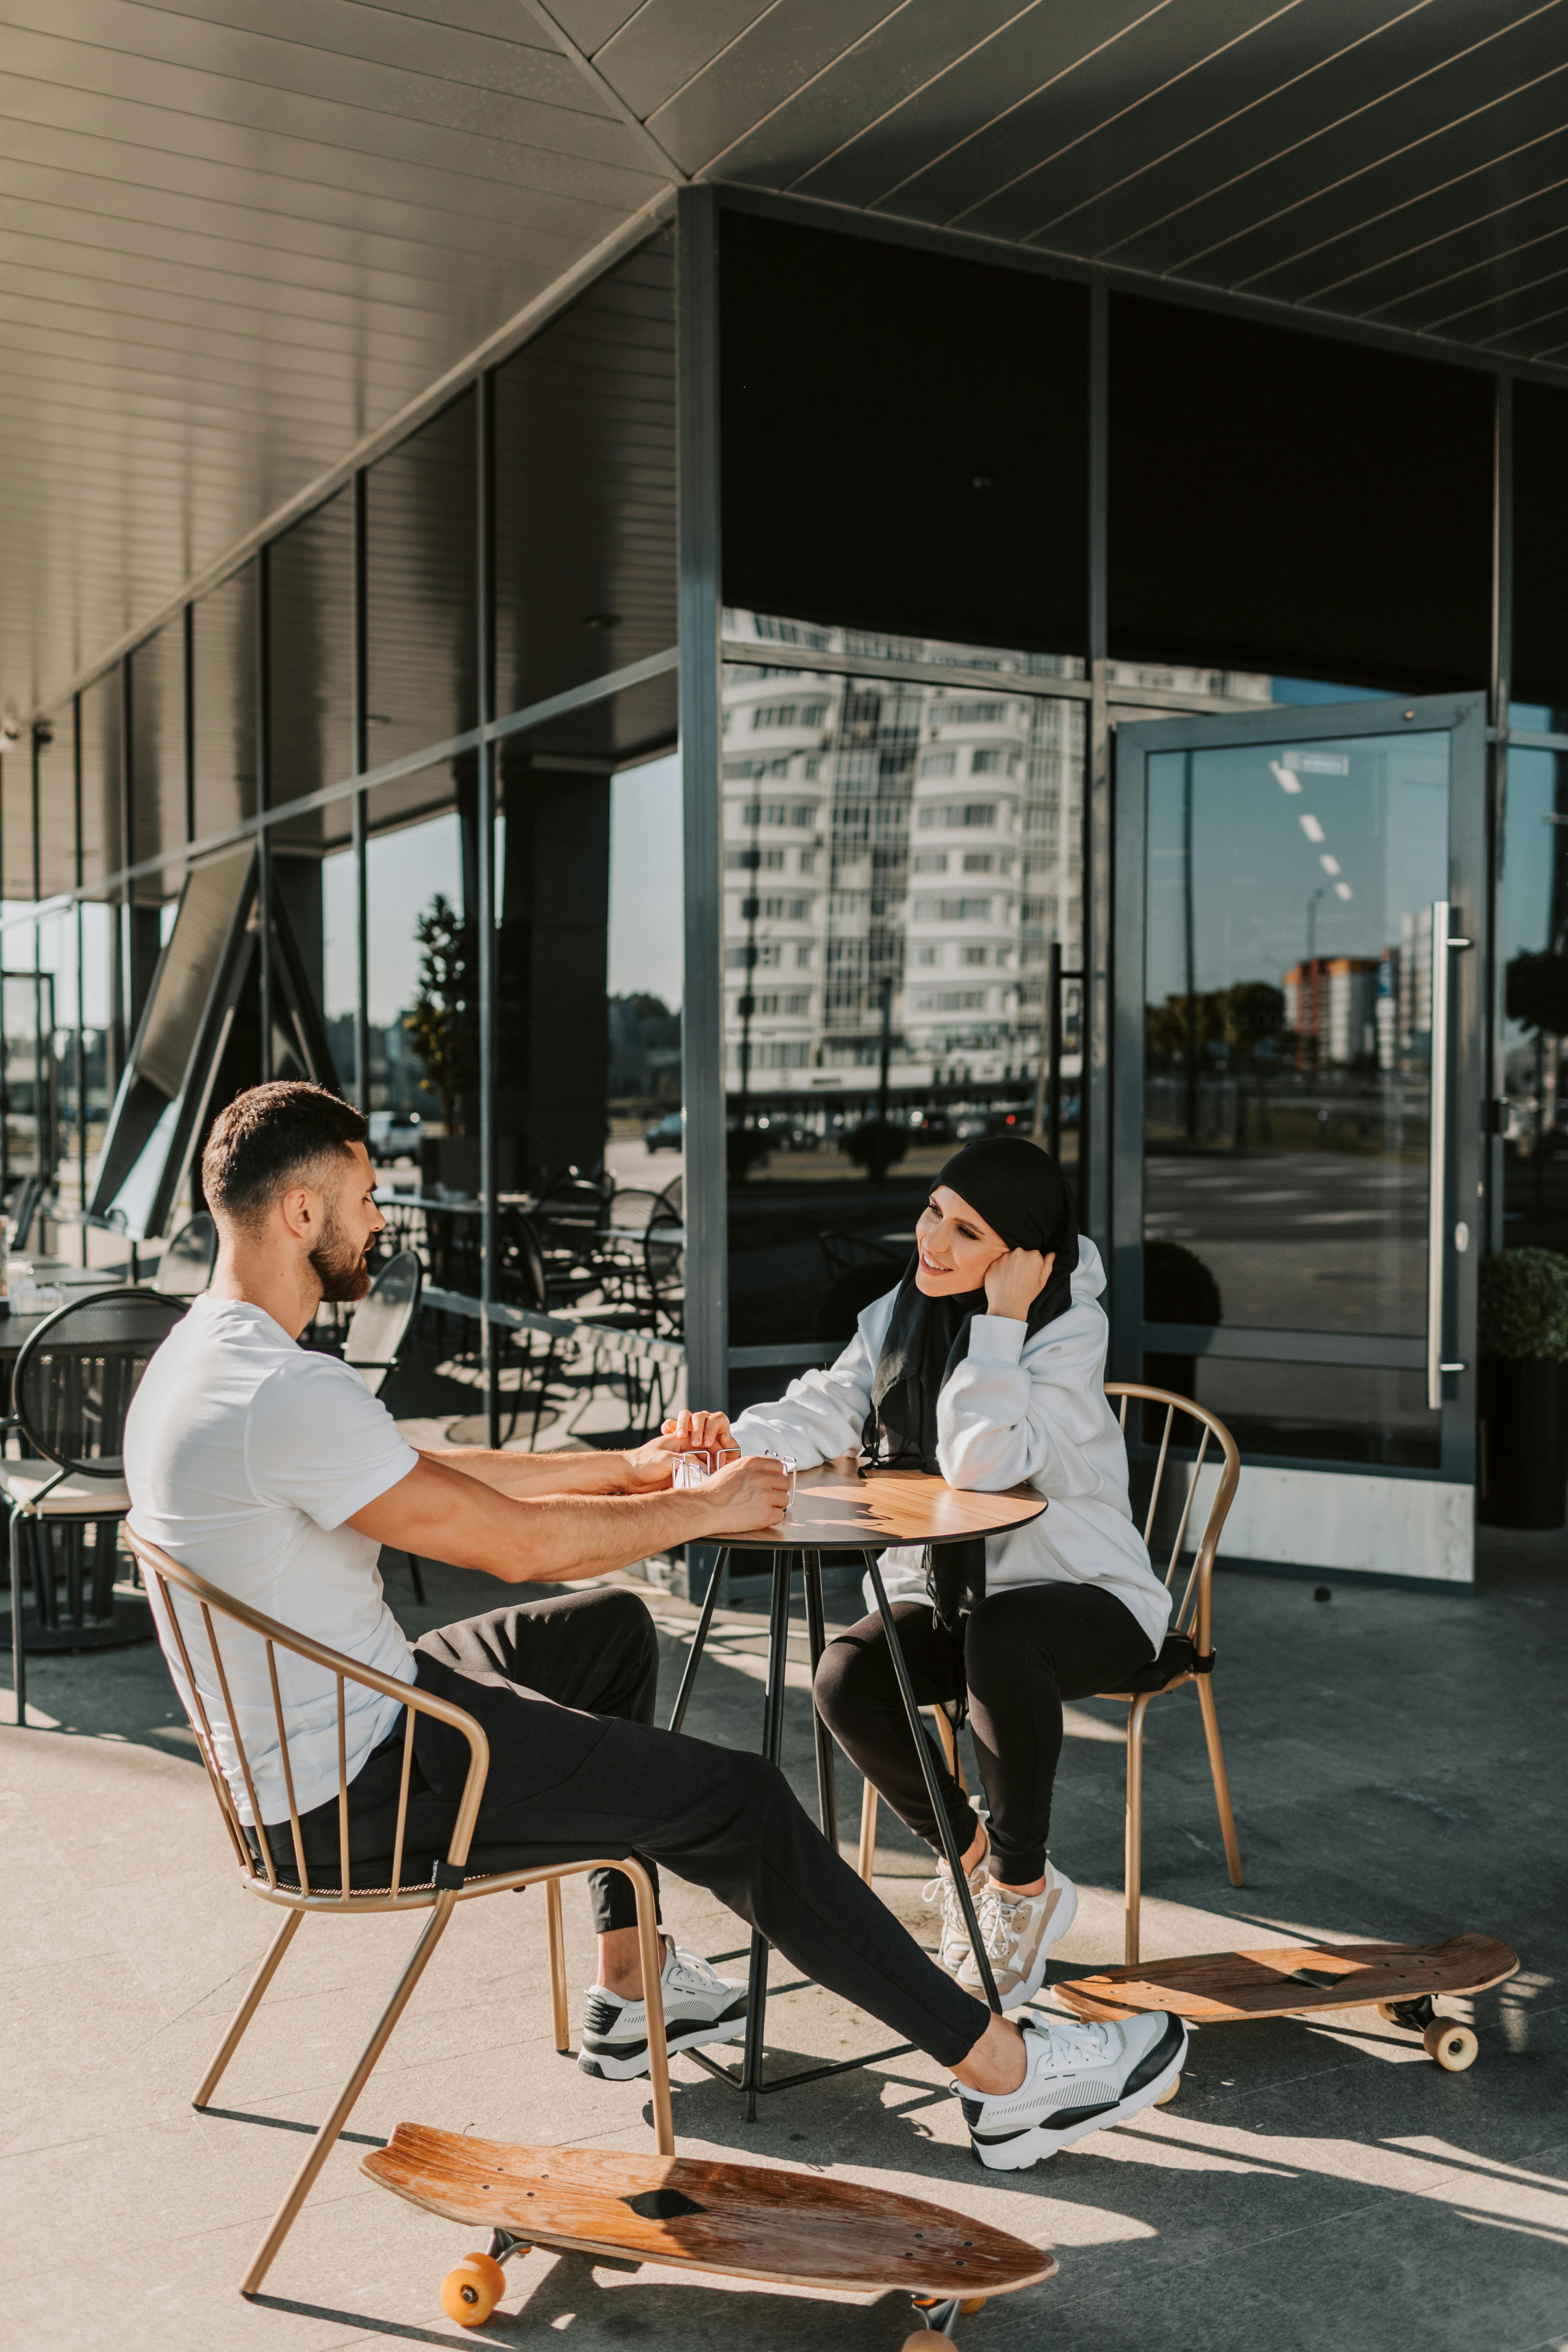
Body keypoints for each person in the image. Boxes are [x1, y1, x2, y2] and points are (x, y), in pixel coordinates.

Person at [124, 1082, 1185, 2170]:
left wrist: (628, 1469)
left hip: (333, 1729)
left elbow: (429, 1473)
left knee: (609, 1633)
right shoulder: (281, 1392)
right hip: (364, 1783)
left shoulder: (211, 1362)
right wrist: (697, 1509)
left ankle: (633, 1989)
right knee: (740, 1799)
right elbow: (514, 1547)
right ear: (303, 1215)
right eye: (365, 1196)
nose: (382, 1220)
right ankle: (1008, 2080)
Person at [706, 1135, 1171, 2016]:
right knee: (845, 1677)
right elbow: (825, 1407)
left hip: (1088, 1597)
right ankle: (972, 1866)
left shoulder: (1066, 1329)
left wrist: (999, 1323)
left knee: (1003, 1639)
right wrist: (729, 1442)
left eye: (966, 1231)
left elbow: (979, 1462)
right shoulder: (899, 1310)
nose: (933, 1242)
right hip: (951, 1594)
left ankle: (1020, 1886)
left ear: (1022, 1259)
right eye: (932, 1211)